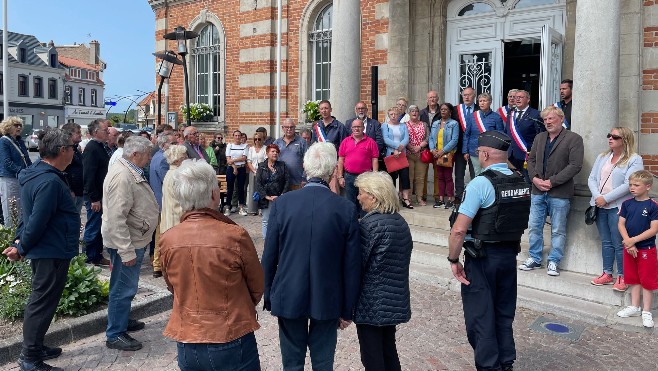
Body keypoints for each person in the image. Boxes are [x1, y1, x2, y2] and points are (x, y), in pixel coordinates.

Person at [261, 142, 361, 371]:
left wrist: (268, 294)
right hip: (328, 295)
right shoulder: (345, 208)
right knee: (323, 363)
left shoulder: (283, 204)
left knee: (292, 363)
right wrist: (348, 308)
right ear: (333, 171)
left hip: (289, 291)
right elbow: (352, 265)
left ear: (306, 169)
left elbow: (269, 255)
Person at [159, 159, 264, 370]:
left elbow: (173, 285)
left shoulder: (168, 239)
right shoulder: (234, 235)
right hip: (230, 333)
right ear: (214, 195)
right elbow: (257, 286)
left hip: (188, 337)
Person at [447, 130, 531, 371]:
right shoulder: (520, 179)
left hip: (483, 259)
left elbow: (459, 230)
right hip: (508, 256)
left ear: (484, 154)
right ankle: (505, 363)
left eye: (478, 154)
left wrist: (453, 259)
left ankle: (489, 366)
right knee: (504, 315)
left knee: (481, 317)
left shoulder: (480, 183)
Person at [3, 128, 78, 371]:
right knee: (42, 302)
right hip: (51, 249)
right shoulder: (49, 181)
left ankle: (37, 345)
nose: (74, 152)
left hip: (49, 248)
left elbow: (27, 214)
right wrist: (21, 247)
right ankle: (30, 357)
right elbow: (37, 220)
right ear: (61, 151)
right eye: (72, 148)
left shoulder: (35, 174)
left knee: (44, 300)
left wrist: (18, 243)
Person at [102, 136, 159, 351]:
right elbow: (116, 217)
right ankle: (115, 333)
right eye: (147, 154)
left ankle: (122, 320)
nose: (149, 158)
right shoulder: (123, 176)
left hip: (133, 237)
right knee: (122, 288)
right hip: (127, 242)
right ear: (135, 154)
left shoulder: (127, 170)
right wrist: (126, 251)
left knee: (126, 286)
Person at [353, 171, 412, 371]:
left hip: (372, 302)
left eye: (361, 193)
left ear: (374, 196)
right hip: (394, 299)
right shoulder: (400, 222)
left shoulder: (369, 225)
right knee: (389, 352)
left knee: (372, 358)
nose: (358, 197)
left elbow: (357, 266)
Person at [517, 106, 584, 277]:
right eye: (545, 119)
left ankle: (554, 261)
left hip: (560, 192)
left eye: (551, 118)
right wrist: (534, 179)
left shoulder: (574, 139)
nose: (547, 122)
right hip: (538, 190)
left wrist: (552, 182)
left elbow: (575, 165)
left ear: (561, 119)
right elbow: (530, 160)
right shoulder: (539, 138)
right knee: (534, 226)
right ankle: (534, 257)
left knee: (558, 229)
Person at [588, 127, 644, 290]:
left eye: (615, 136)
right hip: (599, 205)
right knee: (606, 241)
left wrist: (606, 198)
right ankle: (607, 273)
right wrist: (598, 197)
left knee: (619, 242)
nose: (610, 138)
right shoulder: (603, 156)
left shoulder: (634, 159)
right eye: (609, 135)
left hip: (618, 206)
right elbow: (592, 178)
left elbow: (629, 184)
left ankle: (623, 276)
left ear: (625, 140)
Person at [616, 171, 658, 328]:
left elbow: (653, 229)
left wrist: (633, 241)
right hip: (630, 248)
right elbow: (621, 224)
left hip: (646, 249)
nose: (632, 188)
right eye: (631, 185)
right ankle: (635, 306)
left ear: (648, 186)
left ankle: (647, 311)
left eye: (636, 185)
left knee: (647, 280)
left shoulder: (653, 206)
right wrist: (629, 243)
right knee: (633, 278)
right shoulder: (627, 204)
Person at [82, 119, 112, 266]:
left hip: (101, 194)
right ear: (95, 132)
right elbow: (88, 175)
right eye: (105, 130)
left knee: (99, 226)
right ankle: (89, 256)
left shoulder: (100, 146)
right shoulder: (92, 148)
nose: (107, 132)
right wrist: (94, 198)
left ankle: (97, 255)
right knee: (93, 227)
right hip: (95, 196)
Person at [149, 132, 178, 278]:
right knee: (162, 234)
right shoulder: (162, 159)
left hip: (159, 201)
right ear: (163, 144)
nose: (175, 145)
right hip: (163, 202)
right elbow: (169, 181)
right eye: (172, 143)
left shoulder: (157, 156)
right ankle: (158, 264)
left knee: (160, 234)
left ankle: (158, 264)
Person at [337, 119, 379, 213]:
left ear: (363, 128)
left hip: (365, 177)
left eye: (359, 126)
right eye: (354, 127)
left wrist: (375, 177)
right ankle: (352, 223)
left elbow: (374, 159)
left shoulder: (371, 142)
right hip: (349, 176)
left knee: (365, 202)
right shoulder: (345, 142)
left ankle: (364, 223)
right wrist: (340, 176)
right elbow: (341, 159)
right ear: (351, 128)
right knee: (350, 202)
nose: (356, 129)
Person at [311, 100, 350, 194]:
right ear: (319, 111)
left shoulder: (340, 127)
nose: (324, 111)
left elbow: (344, 149)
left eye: (326, 108)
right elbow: (313, 146)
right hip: (320, 165)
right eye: (322, 109)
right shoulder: (317, 127)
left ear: (331, 110)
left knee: (334, 193)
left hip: (334, 166)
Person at [505, 90, 544, 183]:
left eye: (521, 97)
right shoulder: (511, 113)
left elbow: (540, 135)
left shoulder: (536, 114)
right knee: (513, 182)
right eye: (516, 97)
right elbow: (506, 132)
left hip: (527, 154)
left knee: (527, 181)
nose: (517, 99)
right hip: (511, 154)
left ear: (528, 100)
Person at [0, 116, 32, 228]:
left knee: (21, 208)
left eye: (20, 125)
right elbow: (6, 162)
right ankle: (11, 235)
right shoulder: (4, 141)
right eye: (15, 125)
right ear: (8, 127)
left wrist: (31, 170)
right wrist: (21, 170)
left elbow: (26, 159)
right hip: (9, 178)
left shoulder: (20, 141)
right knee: (10, 208)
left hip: (21, 178)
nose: (18, 127)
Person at [463, 93, 504, 175]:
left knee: (488, 173)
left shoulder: (496, 117)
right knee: (477, 173)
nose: (482, 103)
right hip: (475, 150)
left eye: (484, 101)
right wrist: (465, 151)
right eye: (480, 101)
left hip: (490, 151)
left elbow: (500, 135)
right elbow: (467, 134)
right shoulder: (472, 116)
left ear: (490, 102)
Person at [429, 103, 459, 209]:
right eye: (441, 109)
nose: (443, 111)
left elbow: (454, 140)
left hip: (447, 154)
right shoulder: (436, 123)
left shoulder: (454, 123)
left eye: (445, 109)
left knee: (447, 177)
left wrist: (443, 151)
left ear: (450, 112)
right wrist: (433, 150)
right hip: (436, 154)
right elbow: (431, 138)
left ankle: (450, 200)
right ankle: (441, 200)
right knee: (439, 177)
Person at [256, 144, 289, 238]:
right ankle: (266, 240)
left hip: (280, 197)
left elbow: (287, 181)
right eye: (273, 151)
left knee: (279, 219)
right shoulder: (261, 166)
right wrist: (266, 196)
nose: (275, 153)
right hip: (266, 198)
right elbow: (258, 183)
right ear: (267, 153)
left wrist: (282, 195)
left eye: (276, 152)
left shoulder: (282, 165)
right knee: (266, 220)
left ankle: (278, 239)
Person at [382, 107, 413, 209]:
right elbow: (386, 139)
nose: (393, 116)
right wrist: (396, 147)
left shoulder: (403, 126)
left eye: (395, 114)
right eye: (391, 114)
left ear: (399, 115)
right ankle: (392, 200)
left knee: (405, 177)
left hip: (402, 154)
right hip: (391, 154)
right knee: (392, 178)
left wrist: (399, 149)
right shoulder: (385, 126)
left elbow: (406, 138)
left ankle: (405, 198)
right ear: (388, 115)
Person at [453, 87, 477, 201]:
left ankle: (473, 196)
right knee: (459, 174)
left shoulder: (479, 109)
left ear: (474, 96)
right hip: (458, 148)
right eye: (464, 95)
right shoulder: (455, 110)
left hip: (474, 148)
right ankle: (458, 195)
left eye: (469, 95)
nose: (466, 97)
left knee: (475, 174)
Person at [159, 145, 188, 234]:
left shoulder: (169, 173)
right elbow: (185, 200)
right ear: (176, 160)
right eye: (184, 157)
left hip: (169, 221)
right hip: (177, 222)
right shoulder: (179, 176)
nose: (187, 158)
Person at [405, 105, 430, 206]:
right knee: (409, 177)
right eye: (412, 111)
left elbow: (428, 137)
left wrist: (419, 147)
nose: (414, 113)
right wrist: (410, 147)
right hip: (408, 154)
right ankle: (409, 198)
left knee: (420, 177)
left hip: (421, 153)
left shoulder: (424, 124)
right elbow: (403, 137)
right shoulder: (404, 125)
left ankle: (419, 198)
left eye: (416, 111)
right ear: (409, 113)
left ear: (418, 113)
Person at [273, 118, 307, 190]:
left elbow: (307, 161)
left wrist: (304, 178)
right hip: (280, 182)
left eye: (291, 127)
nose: (289, 129)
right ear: (282, 128)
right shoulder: (277, 143)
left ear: (295, 128)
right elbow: (272, 160)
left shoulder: (302, 142)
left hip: (297, 182)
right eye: (286, 127)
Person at [61, 122, 85, 214]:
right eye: (78, 132)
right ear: (69, 134)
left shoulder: (75, 149)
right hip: (72, 192)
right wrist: (69, 189)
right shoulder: (65, 150)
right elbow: (64, 171)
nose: (80, 135)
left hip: (79, 191)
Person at [225, 130, 249, 216]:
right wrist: (234, 167)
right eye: (236, 135)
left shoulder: (245, 146)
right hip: (231, 168)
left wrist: (233, 160)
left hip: (241, 168)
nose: (237, 137)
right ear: (233, 136)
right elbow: (228, 159)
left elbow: (243, 158)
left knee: (241, 188)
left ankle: (241, 207)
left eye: (239, 135)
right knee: (230, 188)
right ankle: (228, 207)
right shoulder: (229, 145)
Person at [247, 132, 267, 214]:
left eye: (259, 139)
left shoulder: (265, 148)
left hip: (262, 171)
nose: (257, 141)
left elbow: (266, 160)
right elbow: (249, 161)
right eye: (255, 139)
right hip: (253, 172)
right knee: (253, 190)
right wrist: (254, 171)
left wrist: (260, 171)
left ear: (262, 139)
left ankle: (261, 208)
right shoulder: (251, 149)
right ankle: (253, 209)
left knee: (262, 190)